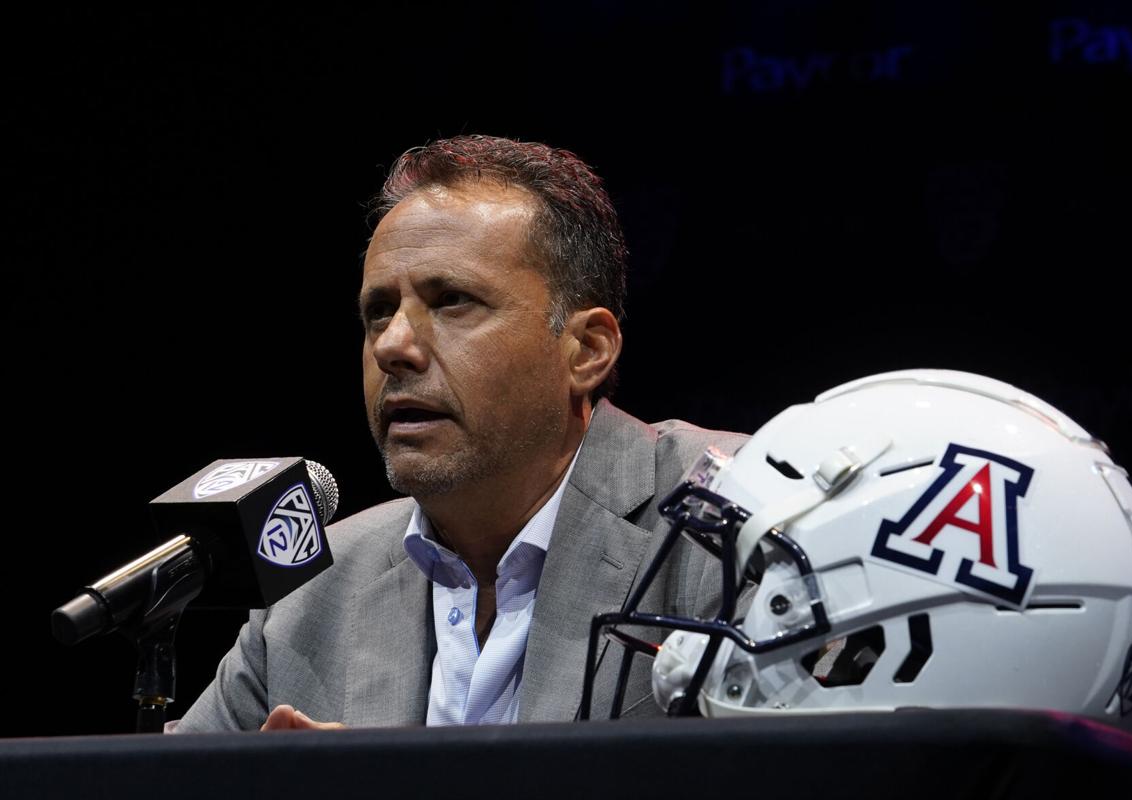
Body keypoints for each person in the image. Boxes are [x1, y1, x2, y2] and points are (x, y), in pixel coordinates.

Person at [172, 135, 747, 732]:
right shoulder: (311, 595)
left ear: (586, 350)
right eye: (378, 312)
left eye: (451, 301)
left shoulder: (735, 522)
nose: (392, 346)